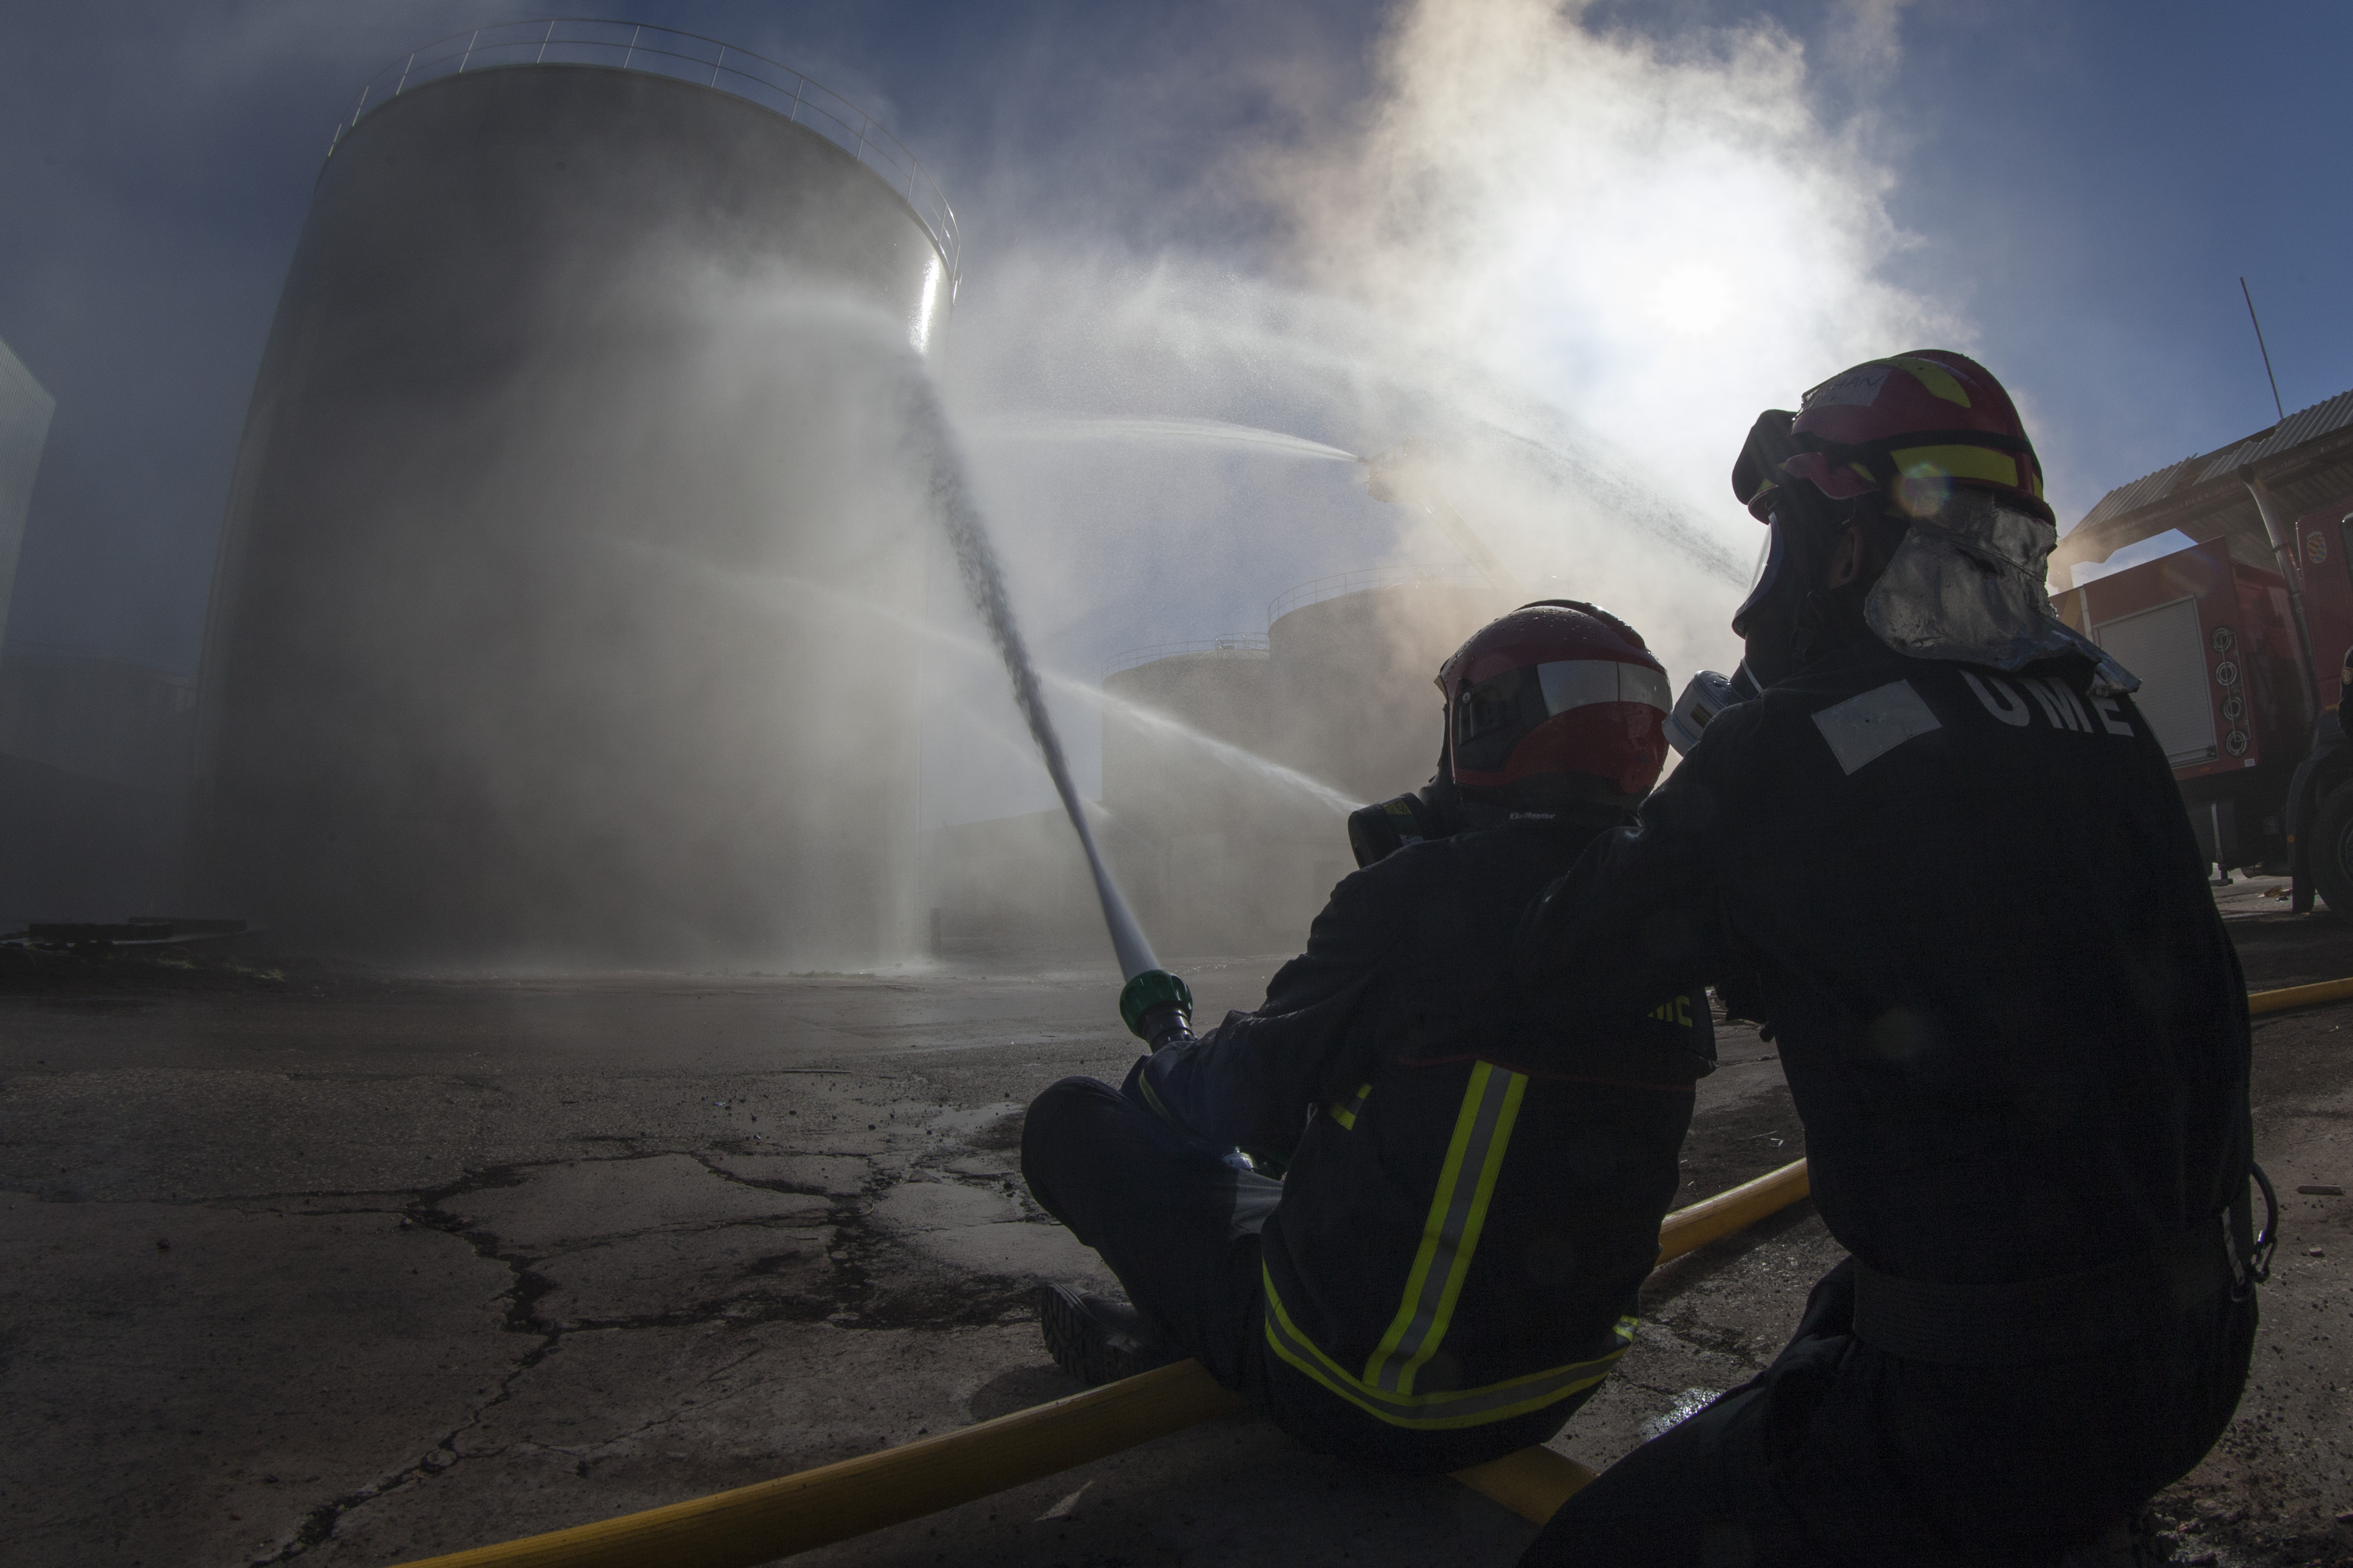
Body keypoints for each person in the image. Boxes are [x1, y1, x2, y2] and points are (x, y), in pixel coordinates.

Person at [1513, 351, 2268, 1566]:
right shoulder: (2108, 713)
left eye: (1791, 531)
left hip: (1992, 1412)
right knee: (1841, 1307)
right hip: (2204, 1346)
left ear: (1848, 545)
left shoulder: (1787, 747)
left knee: (1585, 1552)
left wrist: (1717, 772)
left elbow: (1561, 964)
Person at [1020, 601, 1715, 1472]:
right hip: (1548, 1395)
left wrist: (1168, 1064)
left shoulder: (1421, 893)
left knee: (1071, 1122)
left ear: (1488, 726)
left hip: (1359, 1389)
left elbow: (1238, 1098)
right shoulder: (1663, 923)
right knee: (1285, 1180)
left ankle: (1177, 1340)